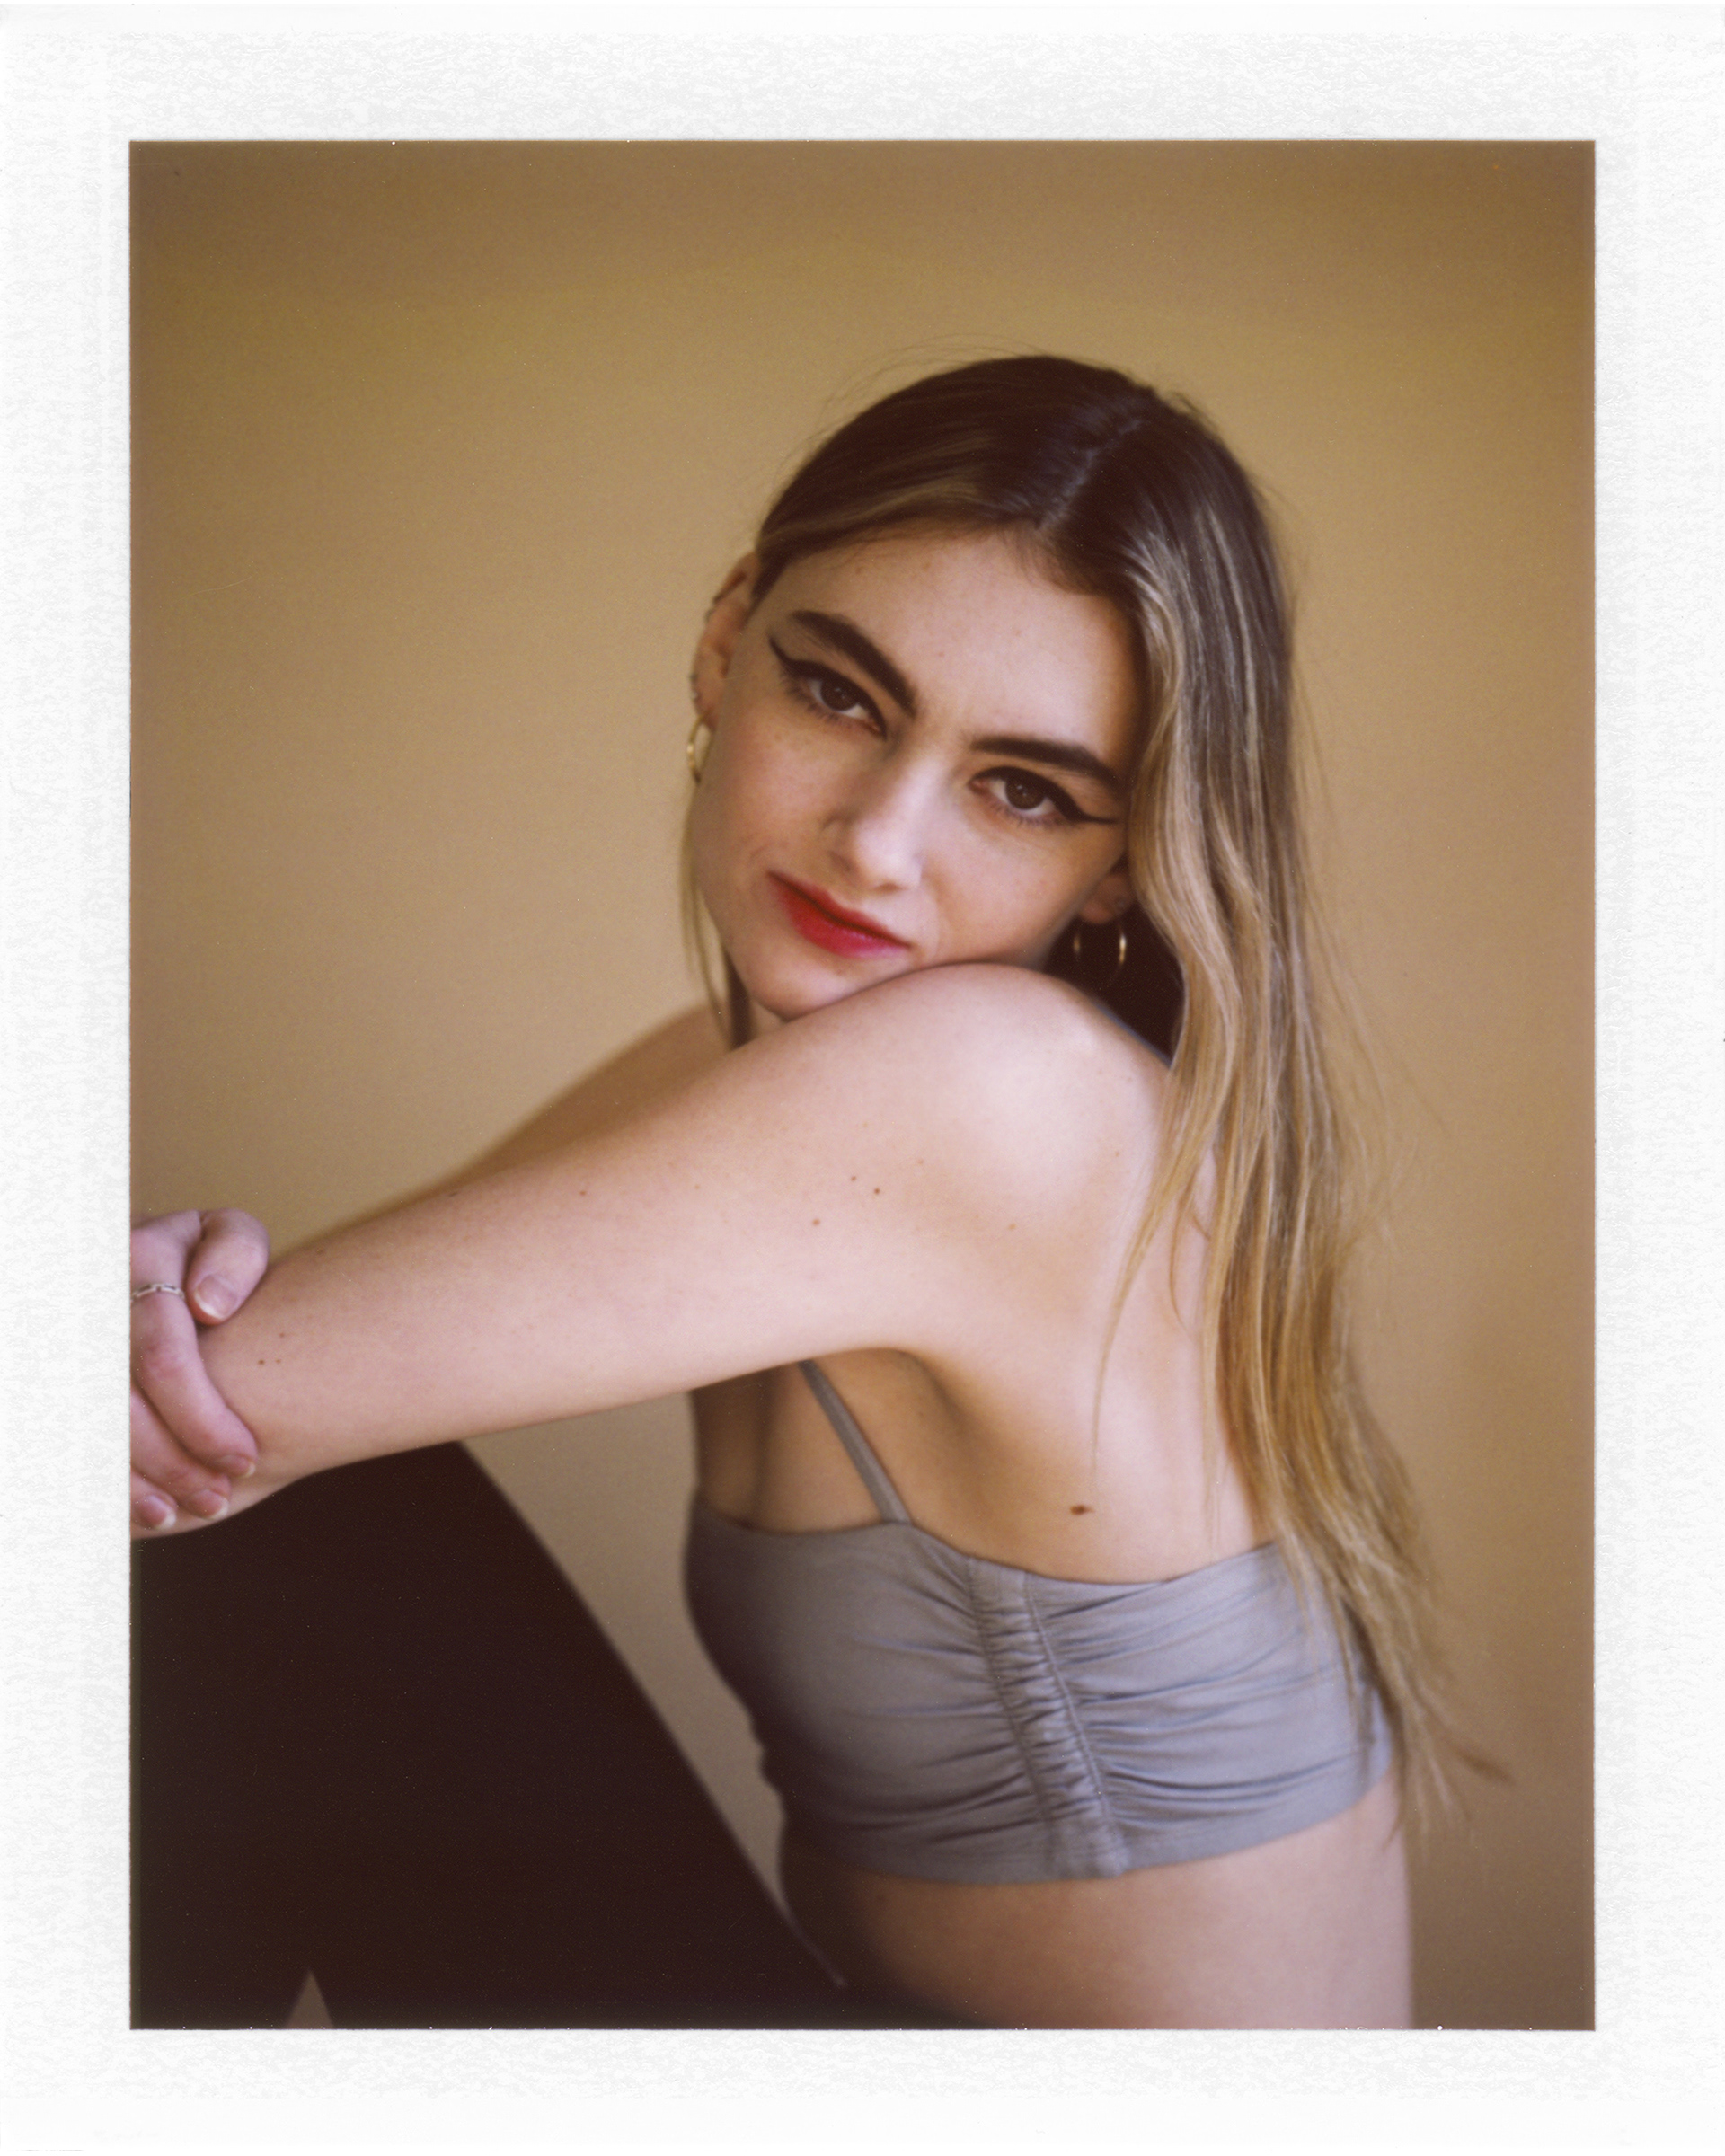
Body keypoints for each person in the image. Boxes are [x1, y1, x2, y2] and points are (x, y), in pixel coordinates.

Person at [130, 354, 1454, 2029]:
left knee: (259, 1541)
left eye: (1024, 789)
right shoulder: (736, 1073)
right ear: (724, 638)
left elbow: (187, 1421)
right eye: (840, 696)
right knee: (266, 1510)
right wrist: (175, 1299)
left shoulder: (992, 1094)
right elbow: (207, 1386)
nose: (878, 843)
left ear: (1122, 858)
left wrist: (166, 1332)